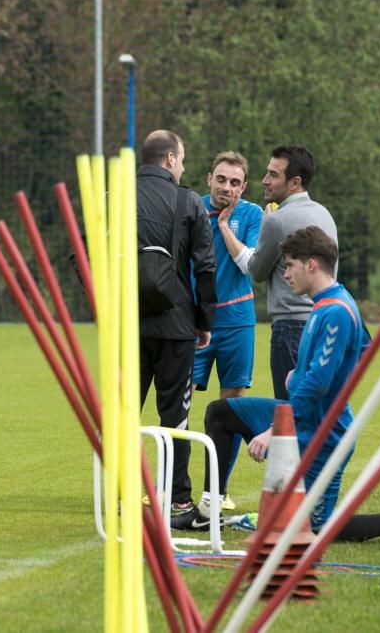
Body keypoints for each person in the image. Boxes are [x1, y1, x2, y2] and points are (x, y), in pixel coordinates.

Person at [174, 226, 380, 550]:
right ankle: (209, 512)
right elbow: (363, 347)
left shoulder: (336, 310)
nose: (285, 275)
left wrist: (274, 432)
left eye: (290, 266)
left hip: (324, 434)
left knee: (317, 530)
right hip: (301, 419)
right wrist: (302, 371)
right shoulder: (326, 303)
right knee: (222, 413)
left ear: (311, 265)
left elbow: (317, 385)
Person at [136, 130, 217, 526]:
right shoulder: (188, 201)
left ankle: (119, 494)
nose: (183, 166)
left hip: (127, 325)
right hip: (176, 324)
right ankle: (179, 502)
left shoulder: (112, 195)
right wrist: (205, 322)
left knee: (122, 413)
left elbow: (80, 255)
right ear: (169, 159)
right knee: (175, 417)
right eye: (182, 159)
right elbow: (205, 266)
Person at [192, 151, 263, 511]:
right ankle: (173, 489)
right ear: (209, 179)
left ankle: (216, 492)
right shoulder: (190, 208)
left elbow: (248, 263)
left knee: (230, 408)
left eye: (235, 182)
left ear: (244, 187)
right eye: (221, 179)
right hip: (196, 322)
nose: (227, 188)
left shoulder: (251, 214)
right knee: (177, 404)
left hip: (238, 322)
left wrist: (223, 225)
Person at [247, 146, 337, 401]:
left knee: (289, 414)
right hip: (325, 321)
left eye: (273, 175)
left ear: (295, 182)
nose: (265, 180)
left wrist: (265, 225)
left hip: (290, 329)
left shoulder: (277, 220)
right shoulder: (325, 214)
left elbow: (257, 271)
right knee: (316, 408)